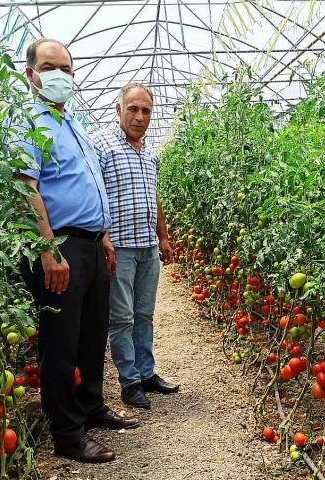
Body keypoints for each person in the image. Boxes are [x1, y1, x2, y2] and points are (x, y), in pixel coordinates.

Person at [7, 39, 139, 464]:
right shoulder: (27, 121)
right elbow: (24, 187)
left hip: (90, 244)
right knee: (60, 343)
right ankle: (67, 432)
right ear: (32, 74)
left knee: (91, 333)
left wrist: (103, 235)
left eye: (67, 67)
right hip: (59, 244)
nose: (61, 74)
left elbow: (88, 185)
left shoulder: (73, 123)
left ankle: (92, 406)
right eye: (50, 66)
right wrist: (47, 248)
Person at [91, 83, 179, 410]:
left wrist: (164, 237)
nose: (139, 117)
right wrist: (103, 238)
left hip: (147, 246)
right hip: (120, 247)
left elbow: (152, 197)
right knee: (122, 318)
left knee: (144, 314)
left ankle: (146, 373)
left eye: (146, 111)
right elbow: (95, 196)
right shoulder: (103, 148)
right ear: (119, 110)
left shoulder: (150, 154)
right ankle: (129, 382)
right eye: (133, 109)